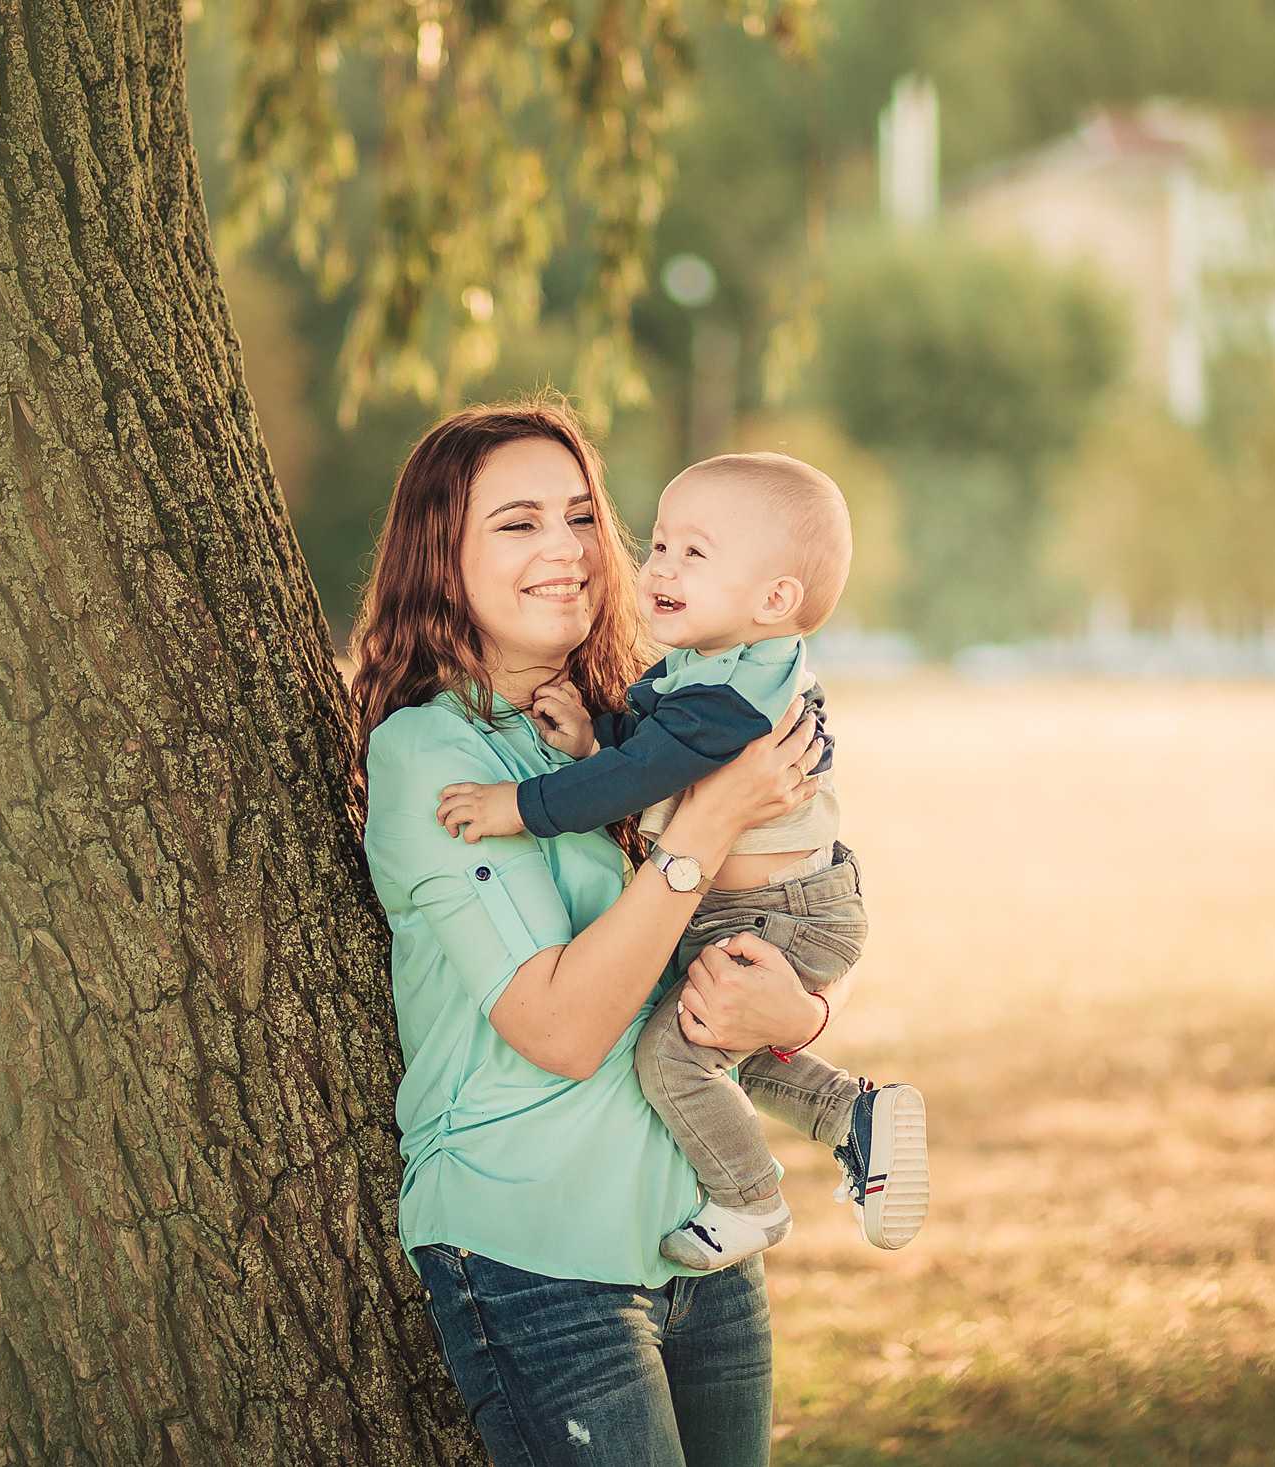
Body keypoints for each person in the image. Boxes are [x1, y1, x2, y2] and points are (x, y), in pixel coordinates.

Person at [354, 400, 836, 1466]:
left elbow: (746, 935)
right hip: (539, 1257)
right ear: (443, 556)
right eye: (517, 524)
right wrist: (701, 830)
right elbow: (564, 1030)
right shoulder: (431, 759)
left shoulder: (631, 726)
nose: (567, 549)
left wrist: (800, 1009)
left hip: (695, 1250)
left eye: (579, 516)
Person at [433, 453, 929, 1276]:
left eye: (693, 553)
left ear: (775, 598)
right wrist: (596, 739)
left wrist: (514, 805)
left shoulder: (736, 697)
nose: (658, 566)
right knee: (714, 1039)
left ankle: (749, 1197)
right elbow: (654, 748)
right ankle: (856, 1116)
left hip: (777, 911)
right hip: (770, 903)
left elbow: (641, 776)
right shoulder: (719, 662)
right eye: (659, 545)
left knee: (672, 1056)